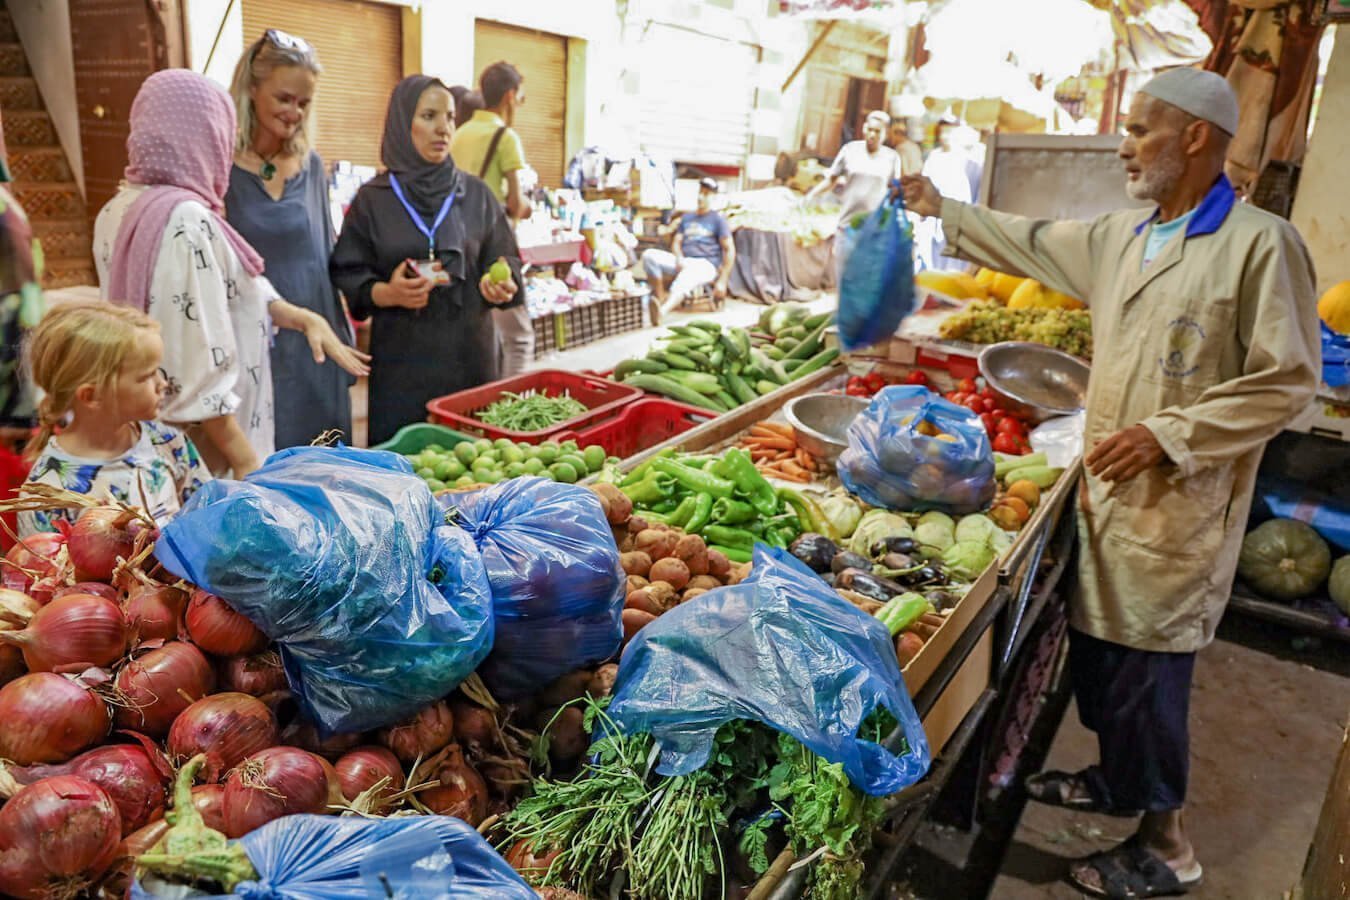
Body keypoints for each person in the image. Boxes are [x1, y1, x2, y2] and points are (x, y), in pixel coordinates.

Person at [902, 68, 1320, 898]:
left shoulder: (1259, 246)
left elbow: (1287, 381)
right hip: (1104, 501)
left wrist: (1170, 433)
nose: (1124, 145)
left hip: (1175, 521)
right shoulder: (1123, 237)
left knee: (1148, 687)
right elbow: (1030, 239)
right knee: (1100, 668)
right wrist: (940, 209)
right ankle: (1116, 785)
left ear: (1195, 136)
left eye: (1139, 129)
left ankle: (1166, 844)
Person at [93, 69, 369, 478]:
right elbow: (199, 363)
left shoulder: (116, 209)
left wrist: (303, 316)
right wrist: (246, 463)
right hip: (206, 452)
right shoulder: (186, 221)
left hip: (147, 436)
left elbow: (231, 285)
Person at [330, 75, 522, 447]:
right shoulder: (374, 199)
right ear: (403, 123)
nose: (443, 128)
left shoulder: (476, 194)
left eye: (450, 117)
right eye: (429, 116)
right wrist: (387, 293)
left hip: (470, 355)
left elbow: (505, 256)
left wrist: (501, 283)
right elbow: (348, 270)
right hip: (404, 362)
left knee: (476, 465)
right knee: (405, 467)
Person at [225, 29, 357, 450]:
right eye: (284, 99)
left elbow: (325, 253)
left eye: (304, 103)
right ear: (251, 88)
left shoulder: (310, 165)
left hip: (314, 342)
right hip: (256, 341)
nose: (295, 112)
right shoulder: (220, 165)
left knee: (328, 464)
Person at [18, 301, 212, 536]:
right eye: (147, 376)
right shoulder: (47, 492)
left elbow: (208, 517)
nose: (162, 383)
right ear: (91, 396)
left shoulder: (168, 443)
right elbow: (41, 568)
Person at [450, 61, 534, 377]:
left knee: (489, 331)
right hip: (492, 247)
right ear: (510, 95)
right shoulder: (505, 137)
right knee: (519, 337)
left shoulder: (459, 133)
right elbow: (514, 202)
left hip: (457, 243)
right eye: (521, 96)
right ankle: (512, 407)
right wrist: (526, 208)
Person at [806, 110, 903, 280]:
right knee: (844, 275)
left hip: (874, 228)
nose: (872, 134)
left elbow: (895, 191)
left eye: (878, 131)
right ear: (864, 128)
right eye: (870, 129)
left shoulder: (892, 158)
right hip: (847, 225)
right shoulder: (850, 150)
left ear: (885, 134)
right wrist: (812, 195)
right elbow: (832, 179)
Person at [640, 176, 734, 325]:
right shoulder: (687, 218)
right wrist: (678, 257)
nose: (701, 196)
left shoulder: (718, 220)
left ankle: (662, 311)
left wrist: (722, 280)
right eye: (700, 192)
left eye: (706, 193)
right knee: (649, 255)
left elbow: (729, 250)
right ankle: (658, 299)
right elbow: (677, 242)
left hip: (706, 264)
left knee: (688, 275)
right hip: (684, 260)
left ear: (713, 197)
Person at [915, 119, 983, 272]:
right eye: (943, 131)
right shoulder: (934, 157)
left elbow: (976, 195)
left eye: (949, 131)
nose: (945, 136)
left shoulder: (970, 161)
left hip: (957, 220)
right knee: (930, 264)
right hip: (932, 223)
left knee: (951, 268)